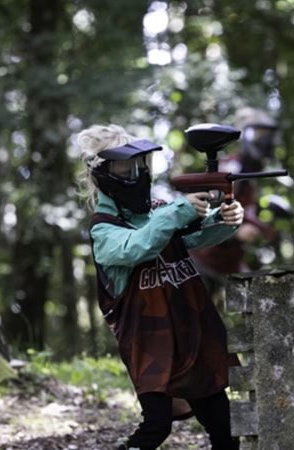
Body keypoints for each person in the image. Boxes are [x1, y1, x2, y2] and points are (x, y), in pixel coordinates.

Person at [75, 124, 242, 450]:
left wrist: (224, 218)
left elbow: (196, 235)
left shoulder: (157, 211)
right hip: (151, 345)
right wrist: (177, 212)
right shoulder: (103, 230)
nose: (137, 174)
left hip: (191, 334)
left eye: (140, 165)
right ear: (103, 173)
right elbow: (137, 246)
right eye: (126, 166)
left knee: (224, 425)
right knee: (156, 426)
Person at [189, 107, 283, 297]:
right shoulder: (232, 170)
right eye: (260, 136)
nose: (266, 142)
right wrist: (237, 234)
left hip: (226, 263)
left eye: (268, 136)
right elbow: (204, 216)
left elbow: (241, 213)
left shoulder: (248, 176)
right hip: (202, 262)